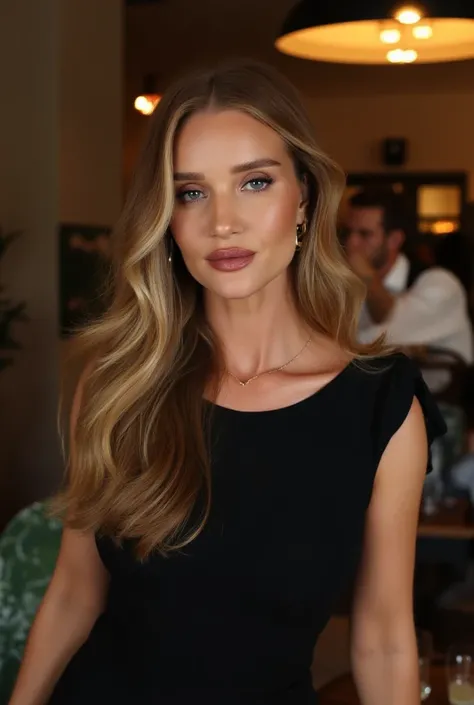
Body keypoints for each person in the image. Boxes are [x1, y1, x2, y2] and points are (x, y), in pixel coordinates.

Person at [8, 60, 446, 705]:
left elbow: (382, 635)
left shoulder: (380, 406)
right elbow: (76, 588)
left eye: (255, 183)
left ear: (304, 197)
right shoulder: (119, 386)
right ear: (166, 219)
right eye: (190, 192)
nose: (221, 222)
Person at [341, 189, 473, 366]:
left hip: (437, 393)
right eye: (347, 233)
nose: (351, 243)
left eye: (364, 234)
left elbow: (374, 337)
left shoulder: (441, 286)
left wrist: (365, 275)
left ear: (394, 239)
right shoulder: (351, 285)